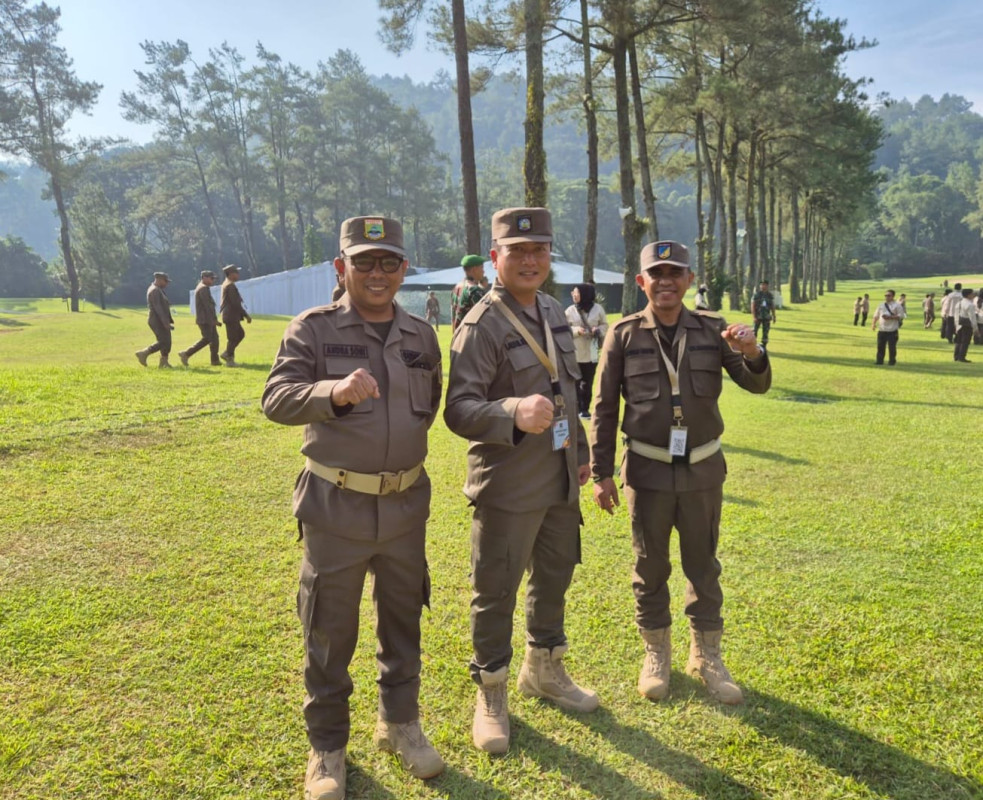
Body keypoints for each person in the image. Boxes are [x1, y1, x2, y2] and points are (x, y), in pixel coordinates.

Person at [262, 216, 444, 800]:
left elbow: (430, 404)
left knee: (403, 621)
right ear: (340, 267)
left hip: (404, 509)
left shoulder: (421, 335)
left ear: (404, 270)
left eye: (389, 262)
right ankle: (328, 749)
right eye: (363, 261)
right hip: (335, 509)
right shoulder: (311, 330)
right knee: (329, 633)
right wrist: (332, 393)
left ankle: (400, 725)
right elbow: (277, 399)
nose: (377, 272)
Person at [444, 207, 598, 755]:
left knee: (555, 574)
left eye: (539, 250)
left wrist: (579, 454)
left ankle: (545, 668)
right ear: (495, 258)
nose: (530, 260)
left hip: (558, 475)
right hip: (508, 482)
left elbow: (569, 392)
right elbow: (458, 409)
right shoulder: (481, 323)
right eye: (517, 251)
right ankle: (491, 691)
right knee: (496, 591)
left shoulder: (555, 309)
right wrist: (509, 409)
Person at [589, 240, 770, 706]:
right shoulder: (623, 334)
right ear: (641, 281)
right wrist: (602, 473)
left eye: (675, 273)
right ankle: (656, 655)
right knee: (649, 566)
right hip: (647, 469)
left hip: (703, 469)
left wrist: (752, 350)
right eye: (657, 273)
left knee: (703, 564)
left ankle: (706, 655)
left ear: (689, 280)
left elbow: (755, 383)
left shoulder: (713, 331)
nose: (666, 281)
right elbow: (605, 407)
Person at [565, 283, 608, 419]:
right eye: (573, 292)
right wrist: (577, 331)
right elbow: (564, 328)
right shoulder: (570, 310)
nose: (573, 294)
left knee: (587, 382)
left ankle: (585, 409)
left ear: (584, 294)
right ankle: (576, 409)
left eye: (576, 292)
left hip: (592, 352)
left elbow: (605, 325)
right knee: (574, 382)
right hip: (575, 351)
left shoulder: (598, 309)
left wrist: (598, 330)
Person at [178, 270, 222, 367]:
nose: (212, 281)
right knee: (207, 339)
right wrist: (213, 320)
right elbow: (208, 306)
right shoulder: (203, 289)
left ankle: (215, 360)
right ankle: (186, 354)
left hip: (207, 319)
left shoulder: (203, 288)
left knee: (214, 339)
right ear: (204, 278)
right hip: (205, 320)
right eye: (211, 278)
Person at [135, 272, 175, 369]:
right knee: (163, 341)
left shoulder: (158, 290)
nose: (167, 284)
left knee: (167, 341)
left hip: (160, 319)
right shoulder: (155, 291)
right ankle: (144, 353)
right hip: (157, 320)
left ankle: (164, 362)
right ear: (159, 279)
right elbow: (158, 308)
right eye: (165, 281)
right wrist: (165, 323)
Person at [220, 264, 251, 366]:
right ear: (231, 274)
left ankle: (228, 355)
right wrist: (246, 315)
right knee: (233, 338)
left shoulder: (227, 284)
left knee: (238, 335)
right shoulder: (230, 286)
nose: (238, 275)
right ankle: (229, 358)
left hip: (230, 315)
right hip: (231, 315)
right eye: (236, 273)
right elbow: (236, 304)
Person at [451, 254, 486, 332]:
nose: (483, 271)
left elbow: (453, 317)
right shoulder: (475, 290)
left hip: (458, 335)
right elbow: (485, 318)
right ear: (474, 269)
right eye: (481, 268)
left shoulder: (456, 288)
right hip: (471, 336)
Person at [872, 289, 906, 365]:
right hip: (882, 329)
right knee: (880, 346)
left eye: (889, 295)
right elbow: (876, 315)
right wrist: (873, 324)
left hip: (892, 330)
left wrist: (890, 317)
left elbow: (901, 316)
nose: (887, 297)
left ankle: (892, 361)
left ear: (893, 296)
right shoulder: (881, 305)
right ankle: (879, 361)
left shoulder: (897, 305)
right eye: (886, 295)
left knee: (892, 347)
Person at [953, 288, 979, 362]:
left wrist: (956, 325)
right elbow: (972, 318)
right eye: (972, 293)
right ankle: (962, 357)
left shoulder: (959, 303)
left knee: (958, 341)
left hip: (959, 324)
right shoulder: (970, 305)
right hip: (967, 325)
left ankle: (956, 356)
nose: (973, 295)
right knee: (965, 342)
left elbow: (956, 315)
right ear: (969, 295)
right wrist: (975, 329)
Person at [751, 279, 775, 346]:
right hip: (758, 316)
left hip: (766, 316)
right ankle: (753, 345)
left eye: (765, 285)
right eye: (762, 285)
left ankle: (764, 345)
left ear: (767, 286)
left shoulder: (770, 295)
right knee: (754, 331)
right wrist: (754, 317)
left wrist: (774, 315)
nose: (763, 286)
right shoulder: (756, 295)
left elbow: (772, 306)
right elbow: (753, 306)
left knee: (766, 332)